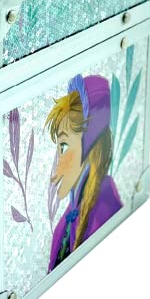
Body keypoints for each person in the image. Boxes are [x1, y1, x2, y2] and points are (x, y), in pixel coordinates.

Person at [45, 74, 122, 272]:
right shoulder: (71, 213)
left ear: (89, 146)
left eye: (64, 146)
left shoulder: (103, 202)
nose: (59, 162)